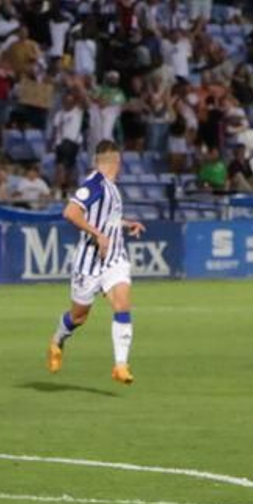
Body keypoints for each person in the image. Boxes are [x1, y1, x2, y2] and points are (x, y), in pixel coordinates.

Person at [46, 141, 146, 385]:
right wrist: (97, 235)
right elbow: (70, 212)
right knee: (79, 317)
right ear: (116, 162)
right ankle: (57, 340)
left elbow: (106, 219)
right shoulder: (95, 184)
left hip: (113, 258)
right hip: (89, 262)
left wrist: (125, 223)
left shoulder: (110, 187)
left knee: (122, 305)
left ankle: (120, 366)